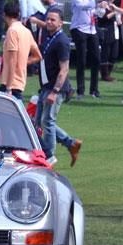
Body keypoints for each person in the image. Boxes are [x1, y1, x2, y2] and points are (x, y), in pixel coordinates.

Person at [35, 10, 82, 167]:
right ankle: (71, 143)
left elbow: (64, 69)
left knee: (47, 121)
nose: (48, 22)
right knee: (39, 123)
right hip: (45, 86)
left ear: (60, 23)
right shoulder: (50, 36)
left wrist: (55, 91)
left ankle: (50, 157)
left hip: (55, 88)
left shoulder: (61, 41)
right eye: (47, 19)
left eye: (53, 20)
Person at [0, 2, 41, 100]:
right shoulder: (26, 31)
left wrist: (8, 87)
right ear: (18, 15)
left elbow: (12, 59)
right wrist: (23, 62)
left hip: (10, 83)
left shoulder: (12, 31)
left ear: (4, 15)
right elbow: (38, 56)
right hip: (20, 81)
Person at [69, 0, 100, 99]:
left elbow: (92, 10)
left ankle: (94, 90)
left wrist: (100, 10)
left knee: (96, 59)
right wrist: (97, 3)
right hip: (79, 28)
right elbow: (81, 5)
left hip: (91, 28)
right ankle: (80, 91)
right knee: (81, 60)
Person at [96, 0, 121, 82]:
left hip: (115, 32)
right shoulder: (102, 4)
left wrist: (118, 17)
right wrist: (115, 11)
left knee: (114, 54)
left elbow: (118, 20)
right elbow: (104, 18)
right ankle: (105, 75)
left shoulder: (114, 5)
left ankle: (108, 73)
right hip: (106, 31)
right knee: (105, 53)